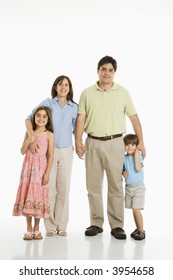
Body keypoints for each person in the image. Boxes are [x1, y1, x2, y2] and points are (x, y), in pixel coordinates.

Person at [75, 55, 146, 239]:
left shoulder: (123, 93)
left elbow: (134, 118)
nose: (106, 73)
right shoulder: (87, 93)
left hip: (116, 143)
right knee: (93, 186)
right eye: (103, 69)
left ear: (114, 73)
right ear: (98, 70)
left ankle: (117, 225)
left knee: (116, 185)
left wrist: (141, 143)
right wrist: (78, 141)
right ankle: (96, 223)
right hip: (92, 142)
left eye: (110, 70)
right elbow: (81, 118)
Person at [25, 75, 78, 237]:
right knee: (49, 188)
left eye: (66, 85)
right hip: (47, 151)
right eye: (60, 84)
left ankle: (61, 225)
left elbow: (77, 130)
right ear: (55, 87)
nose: (63, 87)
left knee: (64, 189)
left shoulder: (74, 107)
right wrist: (32, 137)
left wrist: (79, 144)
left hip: (66, 151)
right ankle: (49, 225)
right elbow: (29, 119)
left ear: (70, 88)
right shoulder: (48, 102)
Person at [13, 106, 54, 240]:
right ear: (34, 117)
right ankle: (28, 228)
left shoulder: (49, 135)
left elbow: (50, 155)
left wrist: (47, 173)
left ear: (48, 119)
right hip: (28, 170)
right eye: (38, 115)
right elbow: (22, 151)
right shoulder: (30, 133)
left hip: (41, 170)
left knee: (38, 197)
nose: (41, 118)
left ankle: (37, 228)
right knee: (27, 196)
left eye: (44, 116)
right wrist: (29, 140)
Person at [123, 133, 146, 240]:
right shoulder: (123, 158)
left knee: (136, 209)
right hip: (128, 187)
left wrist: (137, 154)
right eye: (127, 145)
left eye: (132, 145)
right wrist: (123, 173)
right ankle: (138, 228)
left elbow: (137, 168)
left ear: (136, 146)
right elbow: (122, 170)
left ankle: (141, 231)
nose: (129, 147)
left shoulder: (139, 156)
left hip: (138, 187)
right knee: (133, 209)